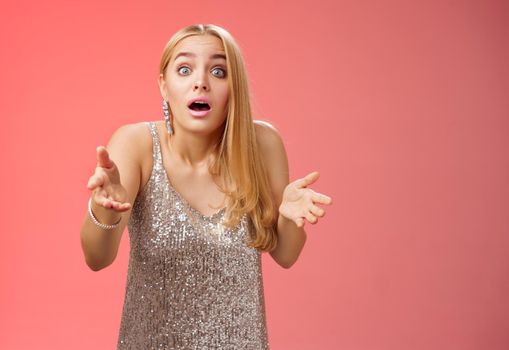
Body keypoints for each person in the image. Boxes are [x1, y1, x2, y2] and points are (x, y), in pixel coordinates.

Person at [80, 23, 332, 349]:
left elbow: (285, 254)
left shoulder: (263, 144)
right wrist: (104, 208)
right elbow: (96, 258)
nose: (200, 82)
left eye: (218, 71)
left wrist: (289, 218)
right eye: (184, 69)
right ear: (164, 85)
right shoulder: (136, 144)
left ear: (234, 86)